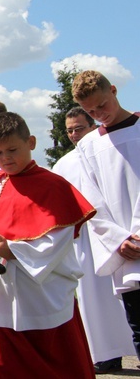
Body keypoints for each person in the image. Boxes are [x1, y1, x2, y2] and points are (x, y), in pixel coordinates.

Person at [0, 112, 95, 378]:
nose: (5, 158)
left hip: (41, 295)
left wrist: (12, 250)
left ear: (31, 142)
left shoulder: (55, 186)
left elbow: (59, 238)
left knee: (55, 366)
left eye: (12, 150)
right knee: (2, 365)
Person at [52, 106, 135, 374]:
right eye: (70, 130)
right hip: (84, 241)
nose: (75, 134)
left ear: (91, 127)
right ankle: (105, 353)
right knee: (94, 301)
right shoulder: (63, 164)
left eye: (79, 128)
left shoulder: (108, 147)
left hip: (117, 233)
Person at [72, 70, 140, 367]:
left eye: (102, 105)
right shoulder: (88, 146)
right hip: (124, 251)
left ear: (113, 90)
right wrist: (119, 240)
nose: (99, 115)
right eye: (90, 111)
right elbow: (91, 201)